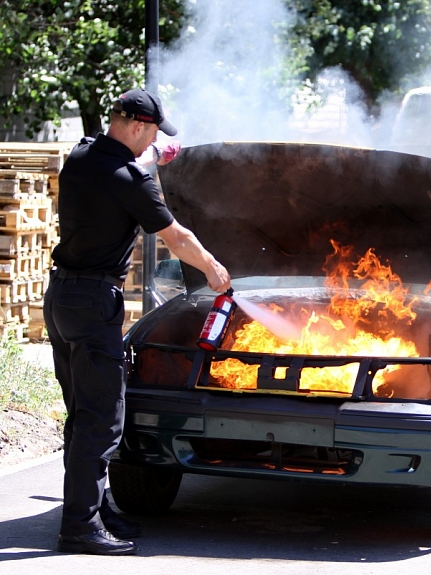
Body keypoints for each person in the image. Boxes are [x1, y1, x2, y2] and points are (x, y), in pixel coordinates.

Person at [43, 88, 231, 556]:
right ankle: (79, 526)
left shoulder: (83, 154)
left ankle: (96, 509)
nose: (153, 140)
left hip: (62, 297)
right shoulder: (131, 180)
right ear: (139, 126)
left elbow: (122, 166)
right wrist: (213, 270)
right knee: (103, 418)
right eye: (151, 133)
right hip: (92, 303)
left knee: (82, 413)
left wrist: (151, 157)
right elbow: (178, 237)